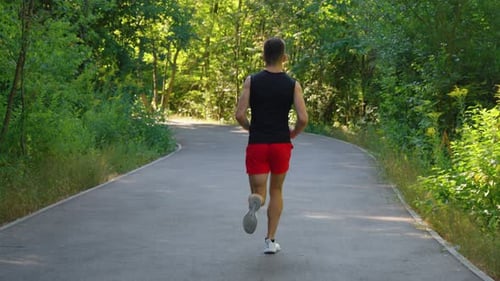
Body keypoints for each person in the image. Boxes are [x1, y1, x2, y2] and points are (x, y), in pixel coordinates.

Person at [235, 37, 308, 254]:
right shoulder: (293, 85)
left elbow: (239, 114)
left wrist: (250, 128)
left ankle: (256, 201)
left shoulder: (251, 81)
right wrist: (293, 133)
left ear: (264, 57)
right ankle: (270, 241)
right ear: (284, 58)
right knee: (276, 189)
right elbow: (303, 118)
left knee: (260, 191)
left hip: (257, 143)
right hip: (280, 144)